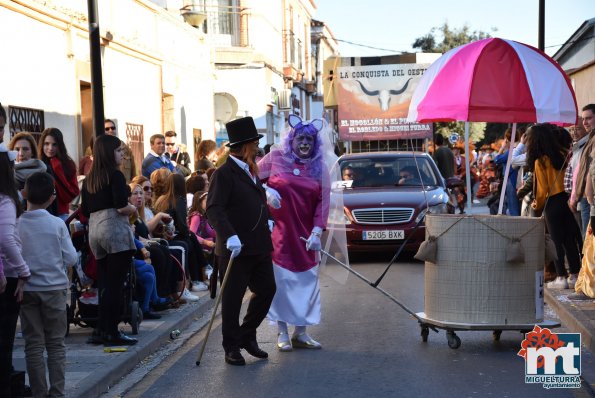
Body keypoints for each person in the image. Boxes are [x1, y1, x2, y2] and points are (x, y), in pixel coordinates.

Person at [206, 116, 276, 366]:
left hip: (258, 244)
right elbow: (214, 209)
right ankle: (231, 346)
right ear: (245, 146)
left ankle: (247, 335)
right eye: (255, 143)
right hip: (236, 249)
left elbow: (256, 200)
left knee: (267, 289)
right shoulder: (223, 173)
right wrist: (229, 235)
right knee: (232, 300)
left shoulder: (250, 169)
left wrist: (268, 217)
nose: (258, 148)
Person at [258, 115, 331, 351]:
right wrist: (266, 191)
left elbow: (323, 202)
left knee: (306, 283)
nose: (305, 143)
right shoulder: (276, 158)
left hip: (306, 235)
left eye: (309, 139)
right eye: (300, 138)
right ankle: (282, 332)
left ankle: (301, 332)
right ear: (292, 139)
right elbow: (251, 180)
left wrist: (318, 231)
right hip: (279, 232)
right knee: (282, 283)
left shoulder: (320, 167)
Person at [17, 172, 77, 398]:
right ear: (52, 198)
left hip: (27, 289)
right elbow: (71, 258)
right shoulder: (57, 224)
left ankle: (39, 392)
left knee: (33, 344)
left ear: (24, 194)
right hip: (53, 290)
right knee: (55, 344)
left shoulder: (16, 223)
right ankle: (57, 392)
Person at [81, 134, 138, 346]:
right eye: (119, 150)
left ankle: (101, 330)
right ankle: (112, 331)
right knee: (116, 284)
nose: (122, 154)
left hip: (95, 231)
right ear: (108, 153)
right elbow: (121, 205)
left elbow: (85, 210)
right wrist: (132, 208)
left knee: (104, 282)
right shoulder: (114, 175)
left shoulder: (89, 179)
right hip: (113, 228)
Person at [527, 123, 581, 290]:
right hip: (567, 200)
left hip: (551, 204)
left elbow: (542, 191)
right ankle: (575, 274)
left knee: (555, 242)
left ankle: (561, 276)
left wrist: (536, 204)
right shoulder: (564, 154)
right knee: (570, 239)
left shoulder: (540, 161)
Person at [0, 143, 31, 397]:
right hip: (8, 277)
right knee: (4, 342)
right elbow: (6, 239)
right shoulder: (6, 199)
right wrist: (23, 271)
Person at [154, 173, 209, 293]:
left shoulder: (161, 199)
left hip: (162, 234)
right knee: (190, 241)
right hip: (171, 235)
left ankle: (199, 276)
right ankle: (198, 277)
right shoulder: (179, 200)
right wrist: (187, 234)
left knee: (192, 238)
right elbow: (182, 225)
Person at [38, 128, 79, 219]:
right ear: (42, 145)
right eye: (47, 144)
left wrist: (57, 169)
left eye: (54, 144)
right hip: (40, 213)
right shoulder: (37, 164)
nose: (50, 148)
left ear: (60, 145)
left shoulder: (67, 164)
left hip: (61, 214)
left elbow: (70, 195)